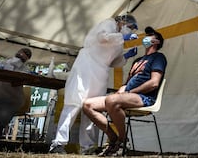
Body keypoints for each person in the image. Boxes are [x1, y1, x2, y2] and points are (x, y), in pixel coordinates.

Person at [49, 14, 139, 155]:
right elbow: (102, 37)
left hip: (100, 73)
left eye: (132, 30)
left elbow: (114, 62)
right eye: (130, 28)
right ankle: (58, 144)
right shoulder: (108, 24)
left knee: (91, 109)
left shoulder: (119, 41)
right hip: (86, 66)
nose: (130, 31)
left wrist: (125, 56)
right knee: (73, 104)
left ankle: (88, 147)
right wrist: (123, 37)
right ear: (122, 22)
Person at [83, 26, 167, 157]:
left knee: (112, 100)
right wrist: (122, 90)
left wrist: (130, 91)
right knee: (87, 105)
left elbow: (154, 83)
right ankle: (113, 139)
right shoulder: (138, 61)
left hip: (144, 98)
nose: (145, 38)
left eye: (149, 36)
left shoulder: (159, 57)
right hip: (128, 95)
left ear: (156, 42)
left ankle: (122, 142)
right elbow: (127, 83)